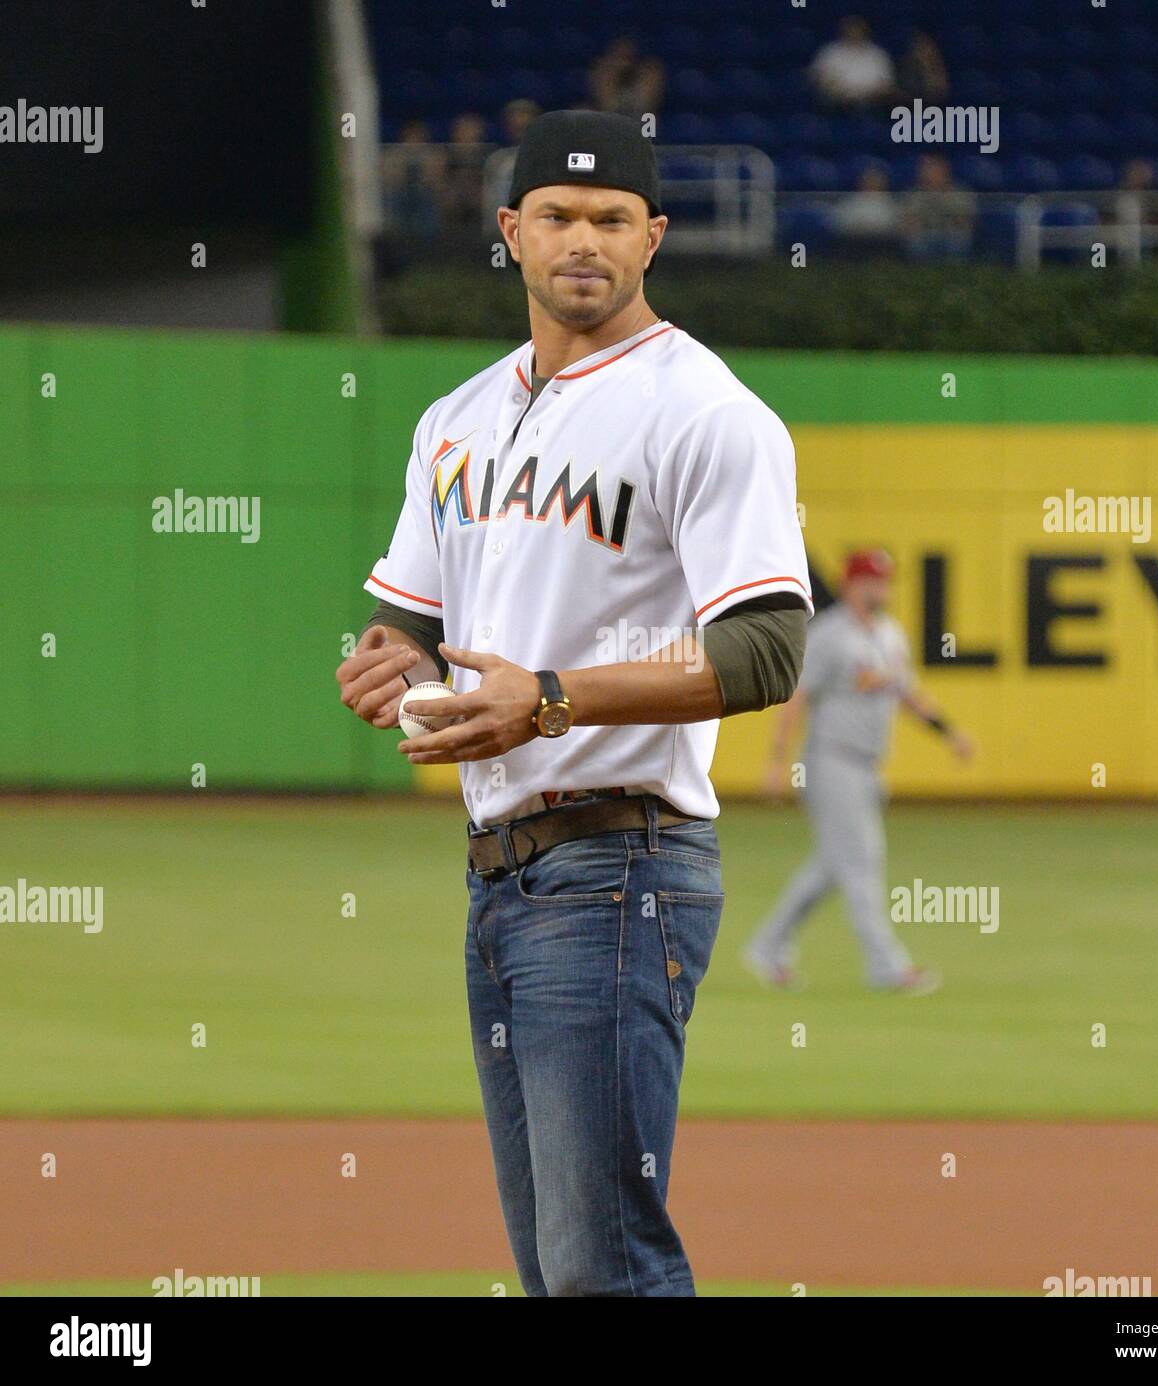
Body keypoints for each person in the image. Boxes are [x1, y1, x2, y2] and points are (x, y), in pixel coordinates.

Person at [335, 109, 812, 1296]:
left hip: (622, 866)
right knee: (555, 1266)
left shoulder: (705, 412)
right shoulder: (454, 419)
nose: (582, 240)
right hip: (498, 875)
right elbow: (418, 622)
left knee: (604, 1265)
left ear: (654, 237)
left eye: (611, 219)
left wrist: (550, 699)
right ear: (510, 232)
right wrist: (387, 656)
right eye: (556, 215)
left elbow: (764, 651)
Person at [744, 548, 973, 995]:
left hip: (868, 764)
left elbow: (909, 694)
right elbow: (798, 698)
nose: (880, 588)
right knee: (863, 858)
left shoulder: (890, 635)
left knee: (834, 865)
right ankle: (886, 966)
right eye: (871, 580)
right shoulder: (830, 635)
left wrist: (948, 732)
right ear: (850, 583)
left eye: (885, 581)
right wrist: (777, 761)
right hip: (832, 760)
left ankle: (768, 945)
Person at [809, 16, 896, 111]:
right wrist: (844, 93)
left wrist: (866, 94)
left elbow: (886, 84)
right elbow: (820, 80)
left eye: (858, 30)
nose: (854, 33)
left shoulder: (878, 55)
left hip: (872, 102)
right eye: (851, 30)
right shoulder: (830, 52)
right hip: (837, 102)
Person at [898, 153, 975, 261]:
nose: (929, 172)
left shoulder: (959, 192)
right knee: (916, 243)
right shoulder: (913, 194)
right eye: (926, 168)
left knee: (958, 241)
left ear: (945, 170)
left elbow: (965, 222)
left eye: (934, 167)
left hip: (949, 234)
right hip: (925, 235)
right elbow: (908, 222)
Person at [589, 36, 665, 119]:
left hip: (639, 124)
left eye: (627, 57)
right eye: (620, 57)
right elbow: (608, 107)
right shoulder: (605, 76)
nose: (624, 62)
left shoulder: (648, 76)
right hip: (610, 123)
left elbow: (643, 107)